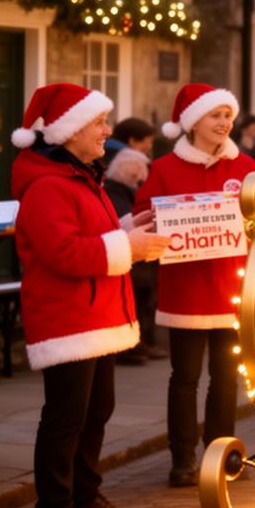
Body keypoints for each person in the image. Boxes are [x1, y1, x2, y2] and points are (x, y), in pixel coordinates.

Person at [10, 82, 170, 508]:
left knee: (96, 411)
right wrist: (127, 247)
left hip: (96, 314)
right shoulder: (46, 184)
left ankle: (84, 494)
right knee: (65, 419)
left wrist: (126, 230)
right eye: (98, 123)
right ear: (69, 131)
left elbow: (90, 235)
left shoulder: (80, 175)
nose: (106, 131)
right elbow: (61, 252)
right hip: (68, 318)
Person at [136, 84, 255, 488]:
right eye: (215, 116)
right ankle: (182, 457)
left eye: (228, 115)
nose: (224, 123)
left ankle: (221, 453)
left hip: (230, 286)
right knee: (184, 378)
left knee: (226, 377)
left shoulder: (245, 166)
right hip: (185, 288)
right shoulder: (166, 168)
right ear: (193, 123)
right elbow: (142, 216)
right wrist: (167, 222)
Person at [102, 146, 162, 365]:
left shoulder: (112, 190)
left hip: (127, 260)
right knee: (139, 303)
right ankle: (132, 346)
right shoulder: (116, 192)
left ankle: (136, 344)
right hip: (128, 263)